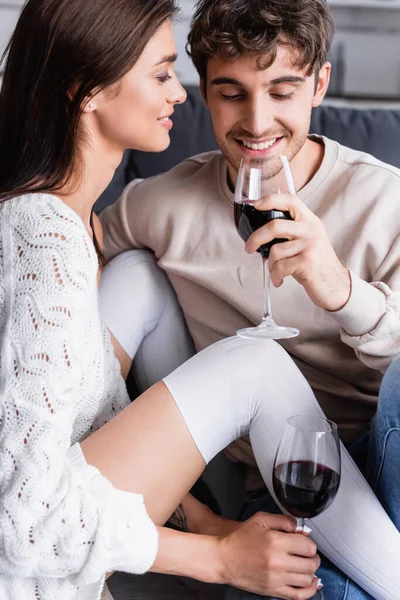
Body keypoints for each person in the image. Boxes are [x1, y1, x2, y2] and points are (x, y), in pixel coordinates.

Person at [1, 1, 400, 600]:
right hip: (221, 480)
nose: (257, 122)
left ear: (320, 84)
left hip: (372, 457)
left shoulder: (384, 200)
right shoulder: (79, 226)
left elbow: (99, 410)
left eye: (283, 91)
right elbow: (27, 500)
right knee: (171, 299)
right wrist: (218, 550)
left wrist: (341, 291)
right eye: (229, 92)